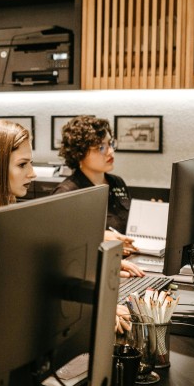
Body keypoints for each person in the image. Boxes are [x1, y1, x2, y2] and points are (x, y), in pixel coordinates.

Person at [0, 119, 132, 333]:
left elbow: (44, 276)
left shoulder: (12, 218)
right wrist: (97, 306)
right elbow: (19, 296)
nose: (32, 173)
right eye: (22, 164)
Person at [52, 115, 144, 279]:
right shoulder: (67, 192)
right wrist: (99, 237)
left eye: (111, 144)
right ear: (79, 153)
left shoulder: (117, 182)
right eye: (101, 147)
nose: (110, 151)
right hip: (91, 273)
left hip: (129, 263)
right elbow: (60, 246)